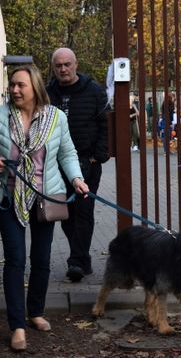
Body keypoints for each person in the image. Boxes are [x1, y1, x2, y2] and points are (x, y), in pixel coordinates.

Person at [0, 64, 89, 351]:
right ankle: (17, 326)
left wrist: (76, 178)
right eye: (12, 84)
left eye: (20, 85)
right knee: (15, 260)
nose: (14, 89)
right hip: (8, 197)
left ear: (35, 88)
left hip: (45, 197)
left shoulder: (56, 118)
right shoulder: (1, 115)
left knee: (42, 258)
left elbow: (67, 152)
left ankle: (35, 311)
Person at [47, 47, 109, 282]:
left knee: (84, 212)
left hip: (87, 162)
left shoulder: (94, 91)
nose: (63, 69)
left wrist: (98, 156)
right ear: (54, 68)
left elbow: (105, 125)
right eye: (58, 65)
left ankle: (76, 261)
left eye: (67, 64)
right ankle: (82, 259)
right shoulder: (47, 92)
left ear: (75, 64)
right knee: (65, 213)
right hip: (56, 163)